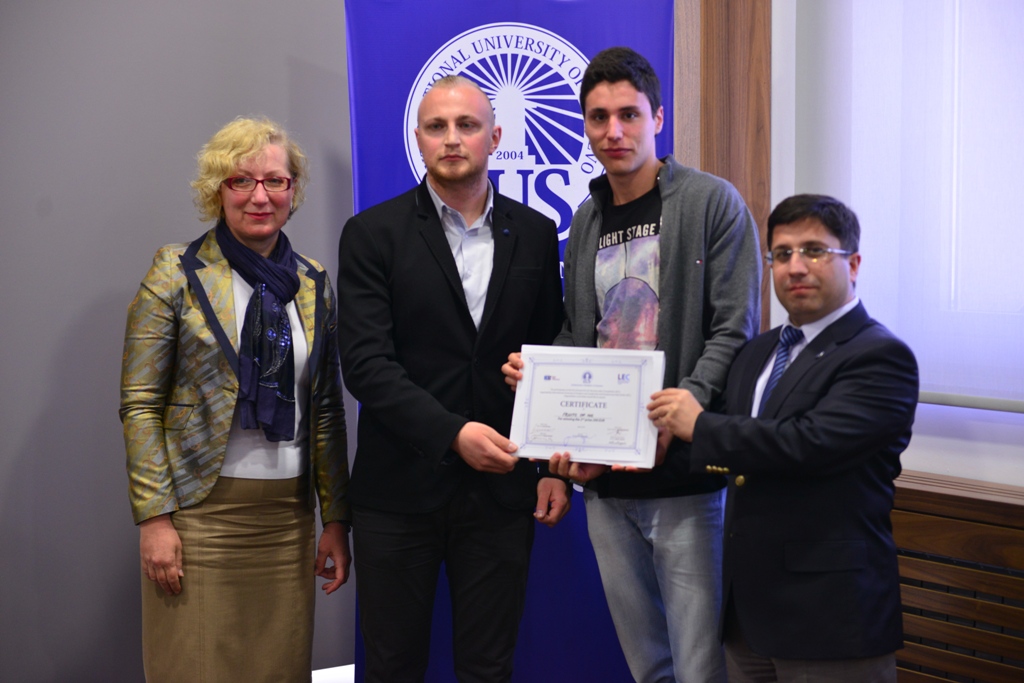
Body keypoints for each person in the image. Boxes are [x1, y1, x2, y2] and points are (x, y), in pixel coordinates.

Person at [504, 46, 761, 682]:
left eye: (629, 115)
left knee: (700, 668)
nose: (613, 132)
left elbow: (735, 328)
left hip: (684, 482)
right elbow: (580, 330)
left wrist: (680, 411)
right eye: (598, 117)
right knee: (648, 668)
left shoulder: (711, 203)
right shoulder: (587, 218)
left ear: (658, 118)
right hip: (606, 483)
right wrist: (540, 382)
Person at [336, 75, 568, 683]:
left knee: (489, 668)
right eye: (437, 127)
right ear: (418, 138)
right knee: (392, 667)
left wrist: (552, 468)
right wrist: (452, 434)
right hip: (398, 490)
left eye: (467, 125)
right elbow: (366, 365)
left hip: (503, 491)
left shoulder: (536, 233)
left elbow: (553, 353)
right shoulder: (371, 234)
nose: (452, 139)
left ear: (496, 136)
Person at [648, 194, 919, 682]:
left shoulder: (880, 356)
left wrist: (699, 425)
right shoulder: (758, 351)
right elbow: (725, 452)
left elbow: (808, 445)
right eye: (782, 253)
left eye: (815, 251)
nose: (795, 267)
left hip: (829, 619)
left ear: (854, 264)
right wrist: (620, 455)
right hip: (747, 618)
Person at [119, 117, 351, 682]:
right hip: (199, 520)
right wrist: (154, 518)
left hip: (287, 521)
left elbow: (325, 408)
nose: (259, 196)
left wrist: (336, 518)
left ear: (293, 190)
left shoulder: (313, 281)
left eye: (275, 181)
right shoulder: (176, 271)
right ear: (216, 190)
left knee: (280, 670)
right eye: (241, 181)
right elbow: (140, 403)